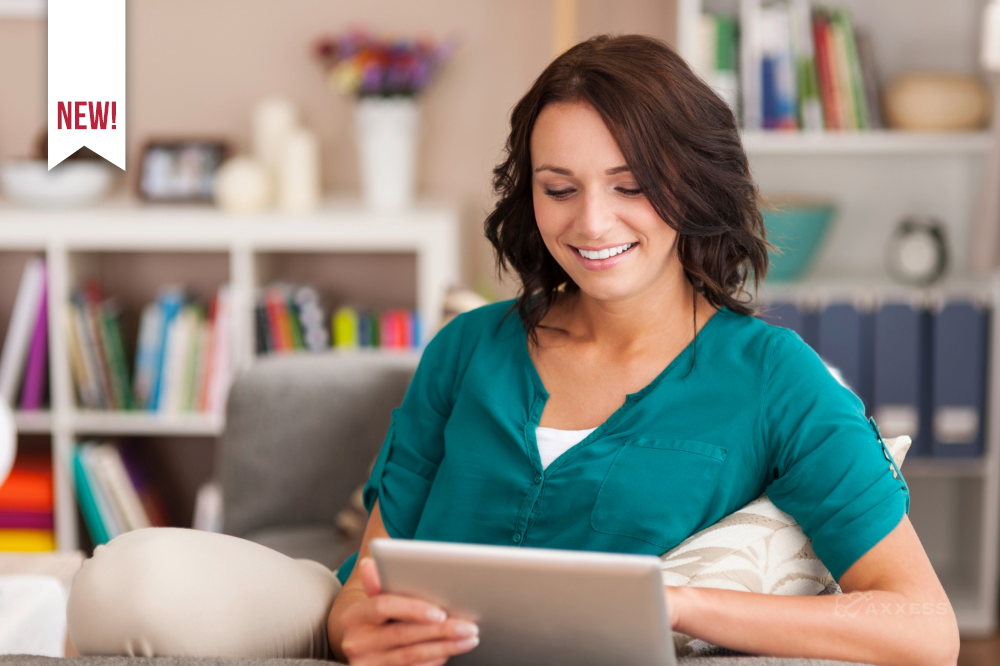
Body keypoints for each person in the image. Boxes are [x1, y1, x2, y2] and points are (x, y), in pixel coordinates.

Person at [327, 35, 959, 666]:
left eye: (630, 187)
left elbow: (924, 627)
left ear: (694, 185)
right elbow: (364, 583)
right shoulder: (465, 348)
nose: (592, 223)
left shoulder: (775, 378)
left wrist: (679, 603)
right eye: (559, 189)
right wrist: (352, 626)